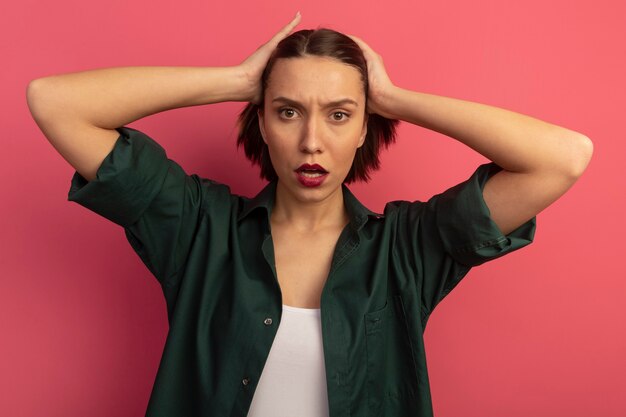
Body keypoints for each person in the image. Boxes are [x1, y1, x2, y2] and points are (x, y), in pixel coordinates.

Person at [26, 12, 592, 417]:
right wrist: (237, 81)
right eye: (288, 111)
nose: (312, 140)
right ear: (262, 123)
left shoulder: (408, 248)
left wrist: (393, 98)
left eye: (341, 115)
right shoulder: (198, 229)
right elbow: (55, 103)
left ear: (365, 125)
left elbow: (563, 158)